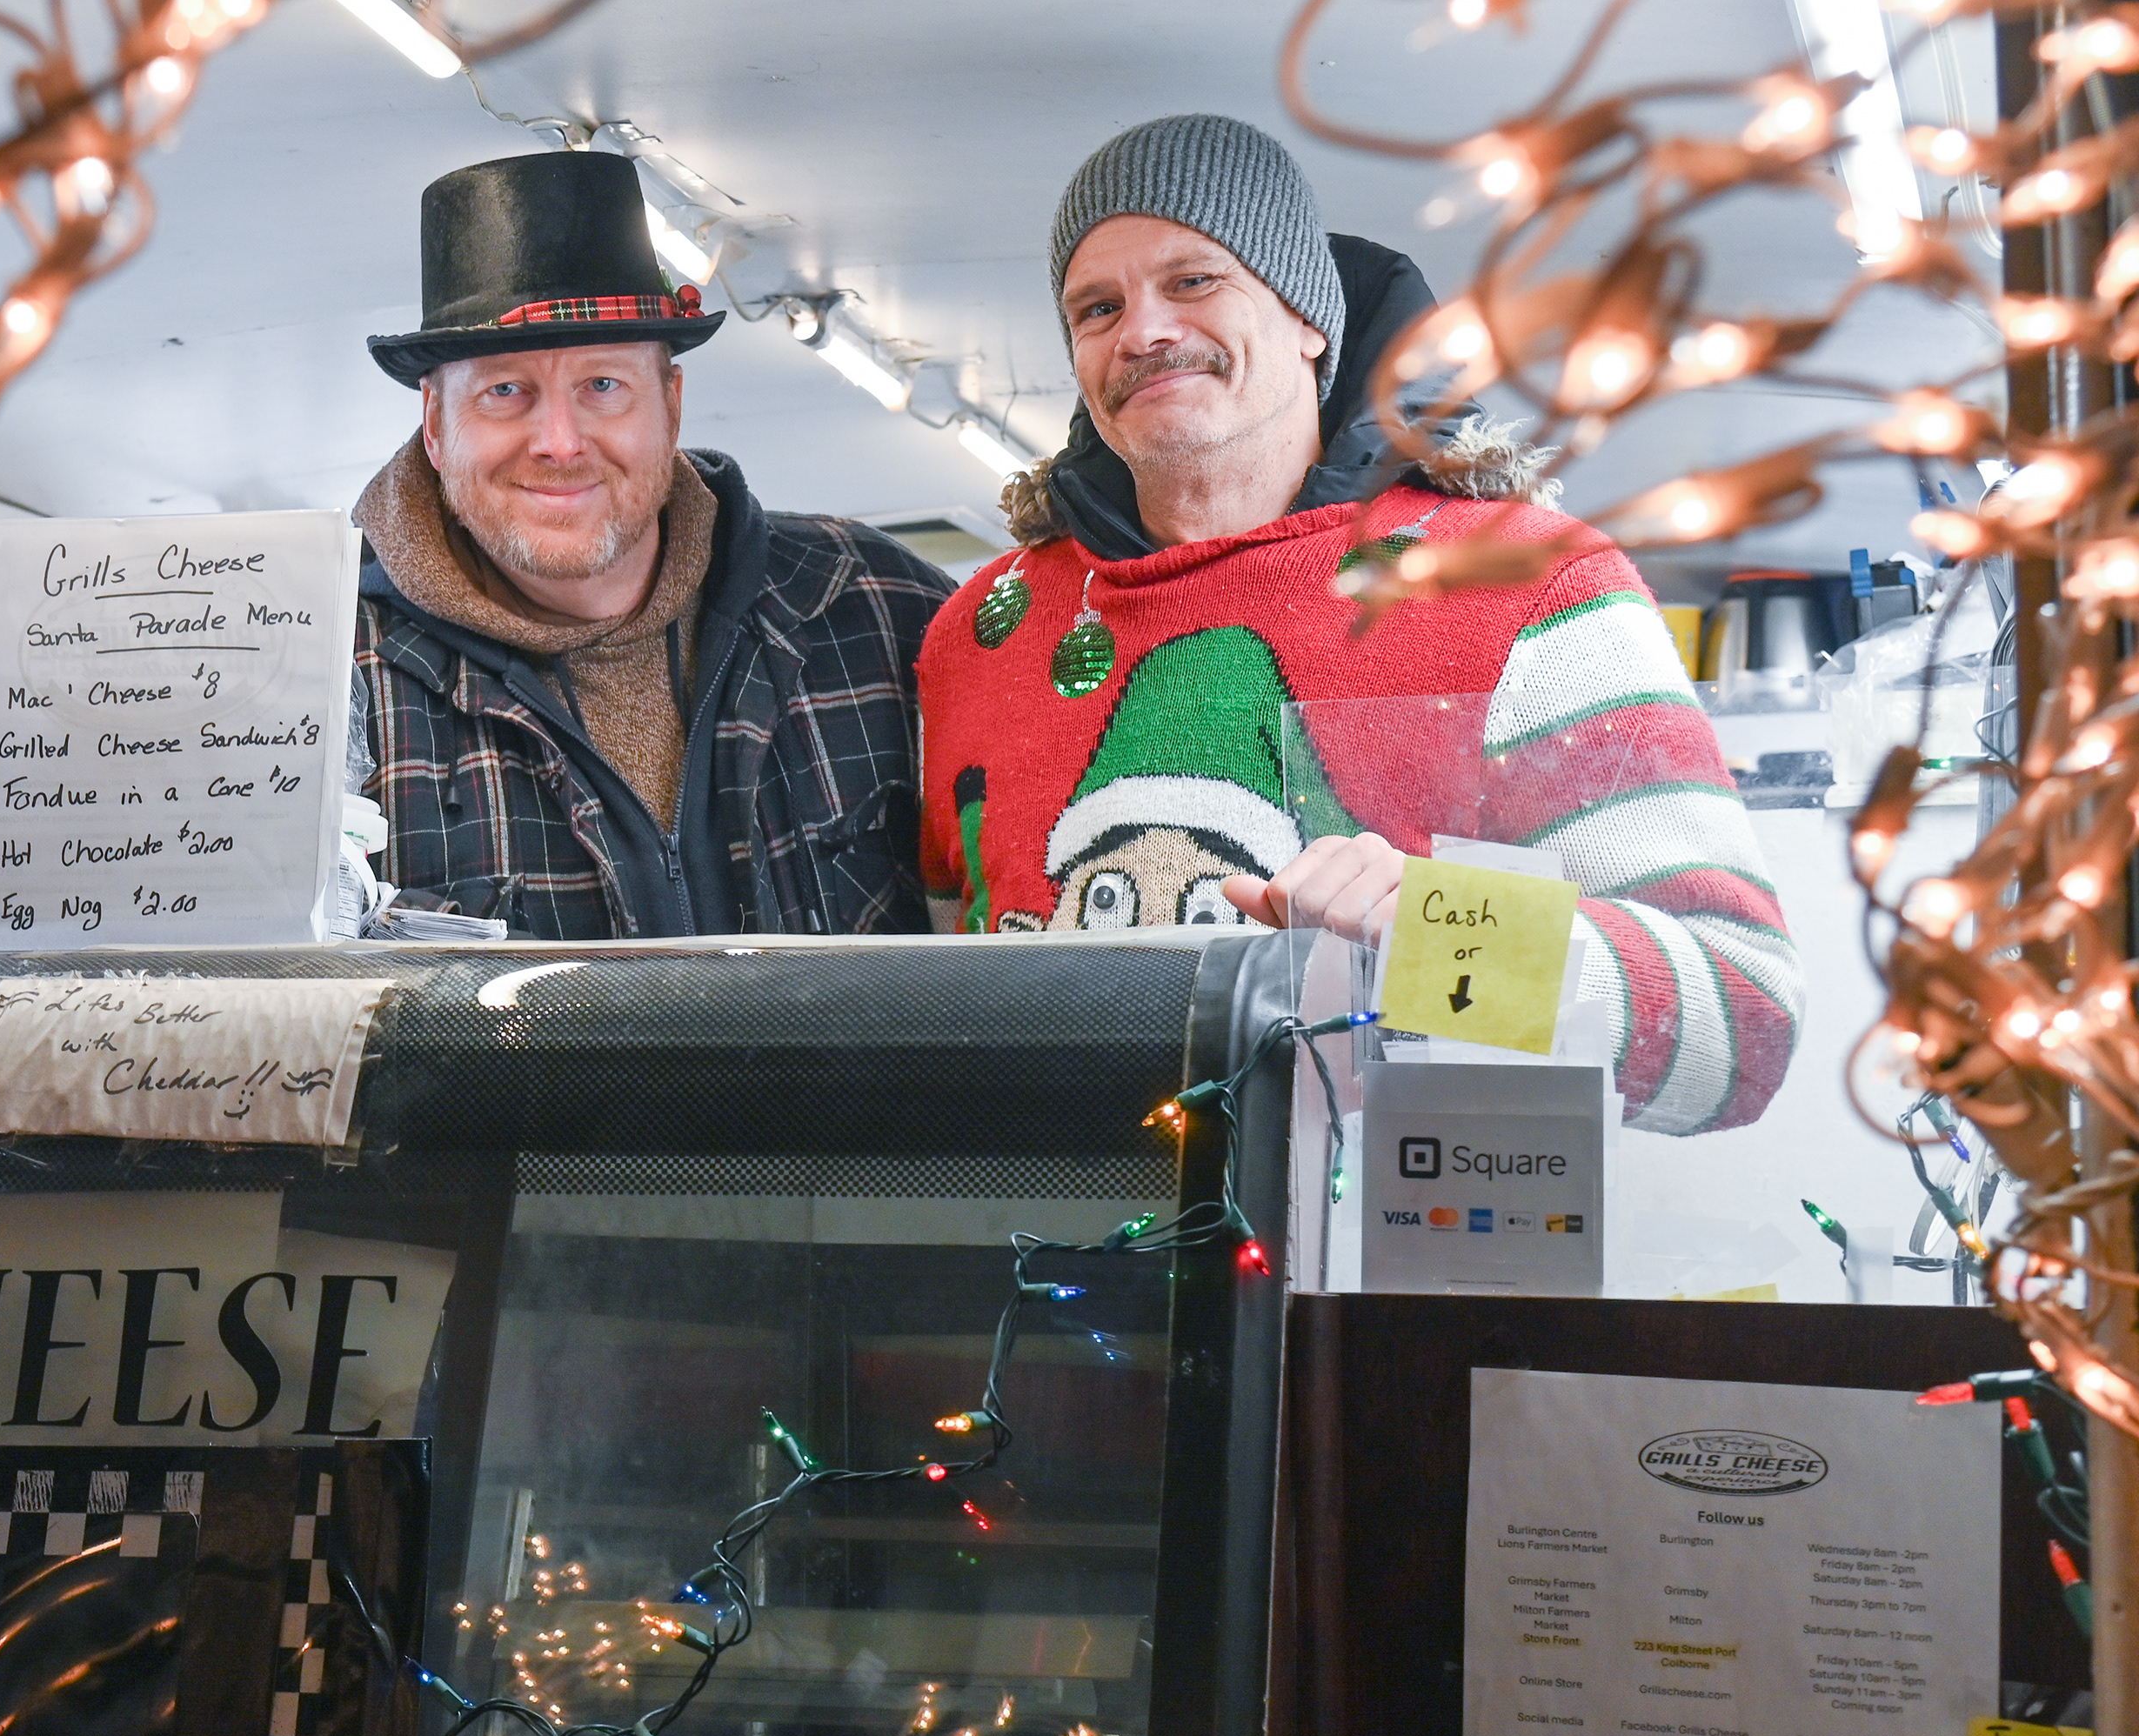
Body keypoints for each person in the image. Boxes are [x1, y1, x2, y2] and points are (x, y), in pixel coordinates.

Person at [919, 114, 1797, 1134]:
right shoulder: (978, 638)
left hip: (1412, 1276)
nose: (1143, 331)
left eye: (1195, 280)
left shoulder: (1529, 586)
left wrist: (1442, 936)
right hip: (1044, 1271)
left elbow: (1747, 1026)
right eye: (1097, 306)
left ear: (1307, 317)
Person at [353, 150, 958, 938]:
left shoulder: (883, 609)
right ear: (435, 423)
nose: (559, 442)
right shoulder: (329, 682)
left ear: (670, 405)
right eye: (506, 390)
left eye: (603, 386)